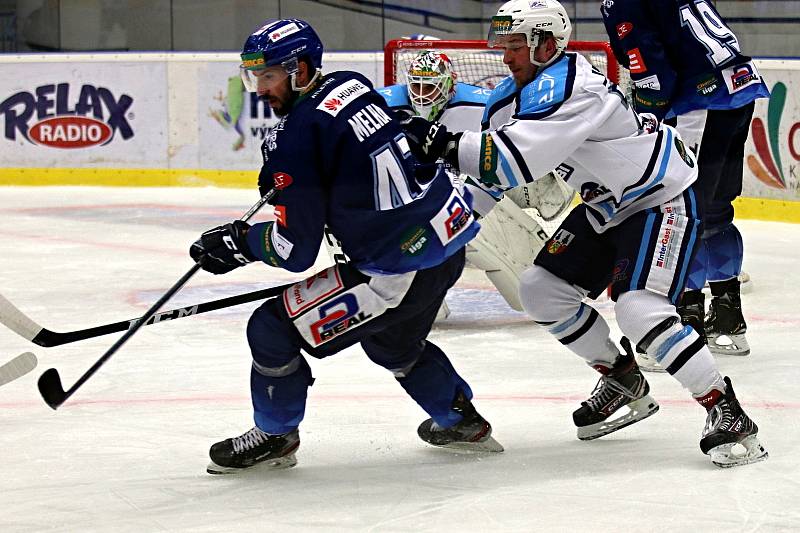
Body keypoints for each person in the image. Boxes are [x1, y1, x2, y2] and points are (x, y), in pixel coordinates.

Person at [400, 0, 767, 467]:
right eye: (504, 45)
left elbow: (516, 160)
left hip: (659, 196)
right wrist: (431, 235)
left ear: (547, 44)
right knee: (540, 289)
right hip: (605, 205)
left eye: (516, 46)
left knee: (638, 310)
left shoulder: (576, 87)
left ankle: (728, 411)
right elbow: (489, 184)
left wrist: (444, 144)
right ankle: (622, 379)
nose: (506, 56)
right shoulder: (509, 100)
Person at [190, 18, 502, 475]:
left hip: (396, 266)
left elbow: (294, 249)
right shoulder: (351, 86)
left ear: (299, 69)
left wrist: (241, 243)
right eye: (254, 76)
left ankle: (276, 437)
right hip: (449, 237)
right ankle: (460, 422)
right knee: (393, 343)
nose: (259, 89)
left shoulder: (295, 139)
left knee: (271, 330)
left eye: (269, 76)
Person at [601, 0, 770, 361]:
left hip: (702, 102)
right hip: (738, 90)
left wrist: (642, 123)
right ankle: (727, 323)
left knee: (683, 211)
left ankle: (682, 325)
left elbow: (654, 78)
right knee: (715, 211)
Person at [379, 49, 573, 312]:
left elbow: (514, 149)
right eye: (417, 86)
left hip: (469, 191)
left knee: (527, 292)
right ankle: (419, 301)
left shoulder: (483, 103)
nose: (423, 95)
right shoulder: (383, 104)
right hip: (415, 199)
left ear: (450, 85)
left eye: (431, 87)